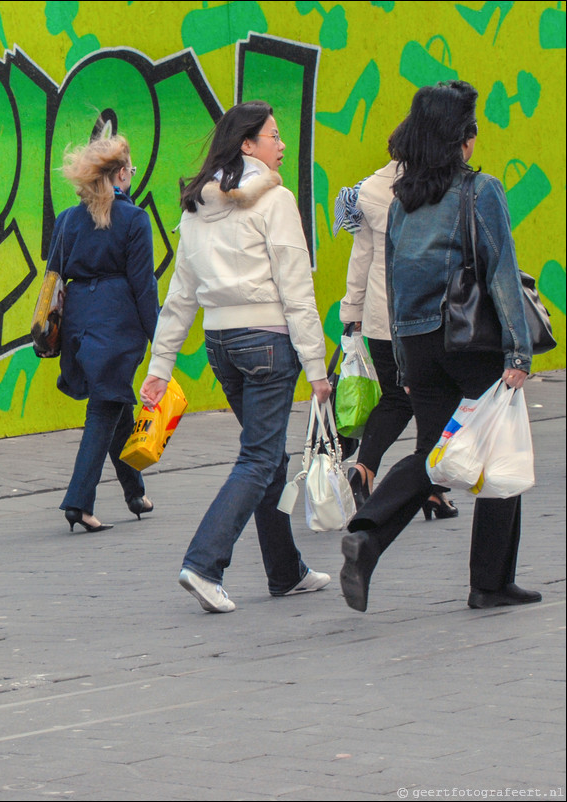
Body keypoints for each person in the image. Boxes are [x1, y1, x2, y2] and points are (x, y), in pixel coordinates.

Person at [340, 81, 539, 612]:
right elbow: (500, 275)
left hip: (419, 345)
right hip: (472, 343)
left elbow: (397, 283)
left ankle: (368, 534)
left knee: (433, 451)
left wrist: (405, 361)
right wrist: (519, 354)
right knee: (499, 452)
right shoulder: (481, 190)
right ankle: (489, 583)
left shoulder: (403, 202)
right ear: (464, 140)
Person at [140, 101, 332, 613]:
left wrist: (159, 369)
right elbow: (297, 288)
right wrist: (317, 368)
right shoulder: (276, 200)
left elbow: (181, 294)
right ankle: (204, 564)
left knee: (267, 453)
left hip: (222, 344)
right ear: (248, 145)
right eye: (274, 135)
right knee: (260, 456)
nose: (282, 144)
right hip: (268, 340)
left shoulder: (195, 207)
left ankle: (285, 571)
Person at [336, 148, 458, 521]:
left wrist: (352, 311)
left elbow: (362, 254)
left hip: (379, 315)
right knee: (434, 400)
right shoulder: (435, 187)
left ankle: (366, 470)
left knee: (397, 399)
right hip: (424, 314)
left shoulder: (370, 188)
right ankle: (424, 487)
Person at [51, 134, 159, 533]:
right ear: (118, 175)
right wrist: (160, 338)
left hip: (79, 323)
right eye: (129, 170)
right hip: (116, 322)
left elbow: (54, 278)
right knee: (103, 409)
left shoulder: (67, 220)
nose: (131, 175)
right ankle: (79, 502)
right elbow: (143, 284)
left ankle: (135, 493)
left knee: (115, 402)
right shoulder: (134, 219)